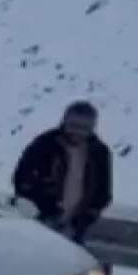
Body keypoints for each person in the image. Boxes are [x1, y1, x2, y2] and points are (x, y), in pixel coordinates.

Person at [12, 101, 113, 249]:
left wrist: (87, 216)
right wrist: (43, 207)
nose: (77, 132)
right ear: (64, 122)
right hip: (40, 220)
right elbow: (22, 179)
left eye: (84, 128)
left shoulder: (99, 153)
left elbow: (103, 191)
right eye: (73, 126)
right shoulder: (45, 144)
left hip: (75, 227)